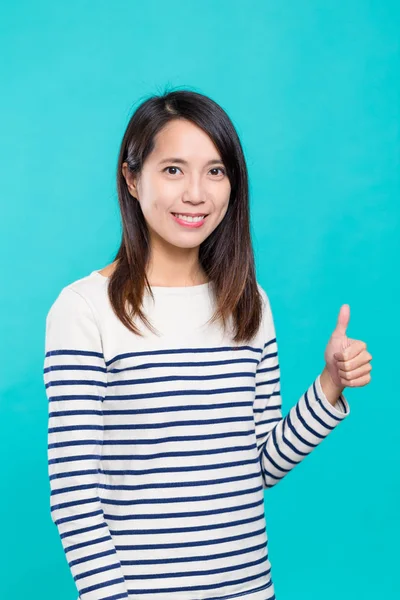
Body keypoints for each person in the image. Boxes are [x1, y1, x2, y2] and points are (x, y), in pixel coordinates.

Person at [42, 89, 372, 600]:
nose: (197, 193)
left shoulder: (250, 304)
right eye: (173, 169)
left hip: (250, 589)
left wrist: (329, 386)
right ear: (132, 178)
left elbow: (259, 465)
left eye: (215, 171)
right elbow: (73, 494)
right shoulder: (85, 309)